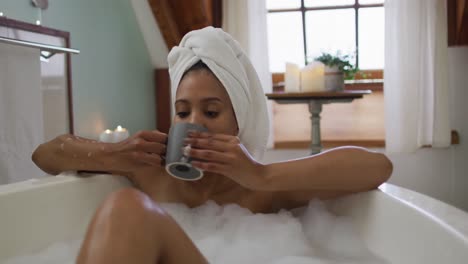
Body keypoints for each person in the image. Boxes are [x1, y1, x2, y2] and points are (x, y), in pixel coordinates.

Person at [32, 27, 393, 264]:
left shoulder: (260, 190)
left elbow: (377, 168)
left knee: (127, 207)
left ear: (239, 123)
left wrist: (261, 175)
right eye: (182, 111)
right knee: (125, 206)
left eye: (212, 111)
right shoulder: (149, 170)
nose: (194, 124)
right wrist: (113, 154)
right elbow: (46, 155)